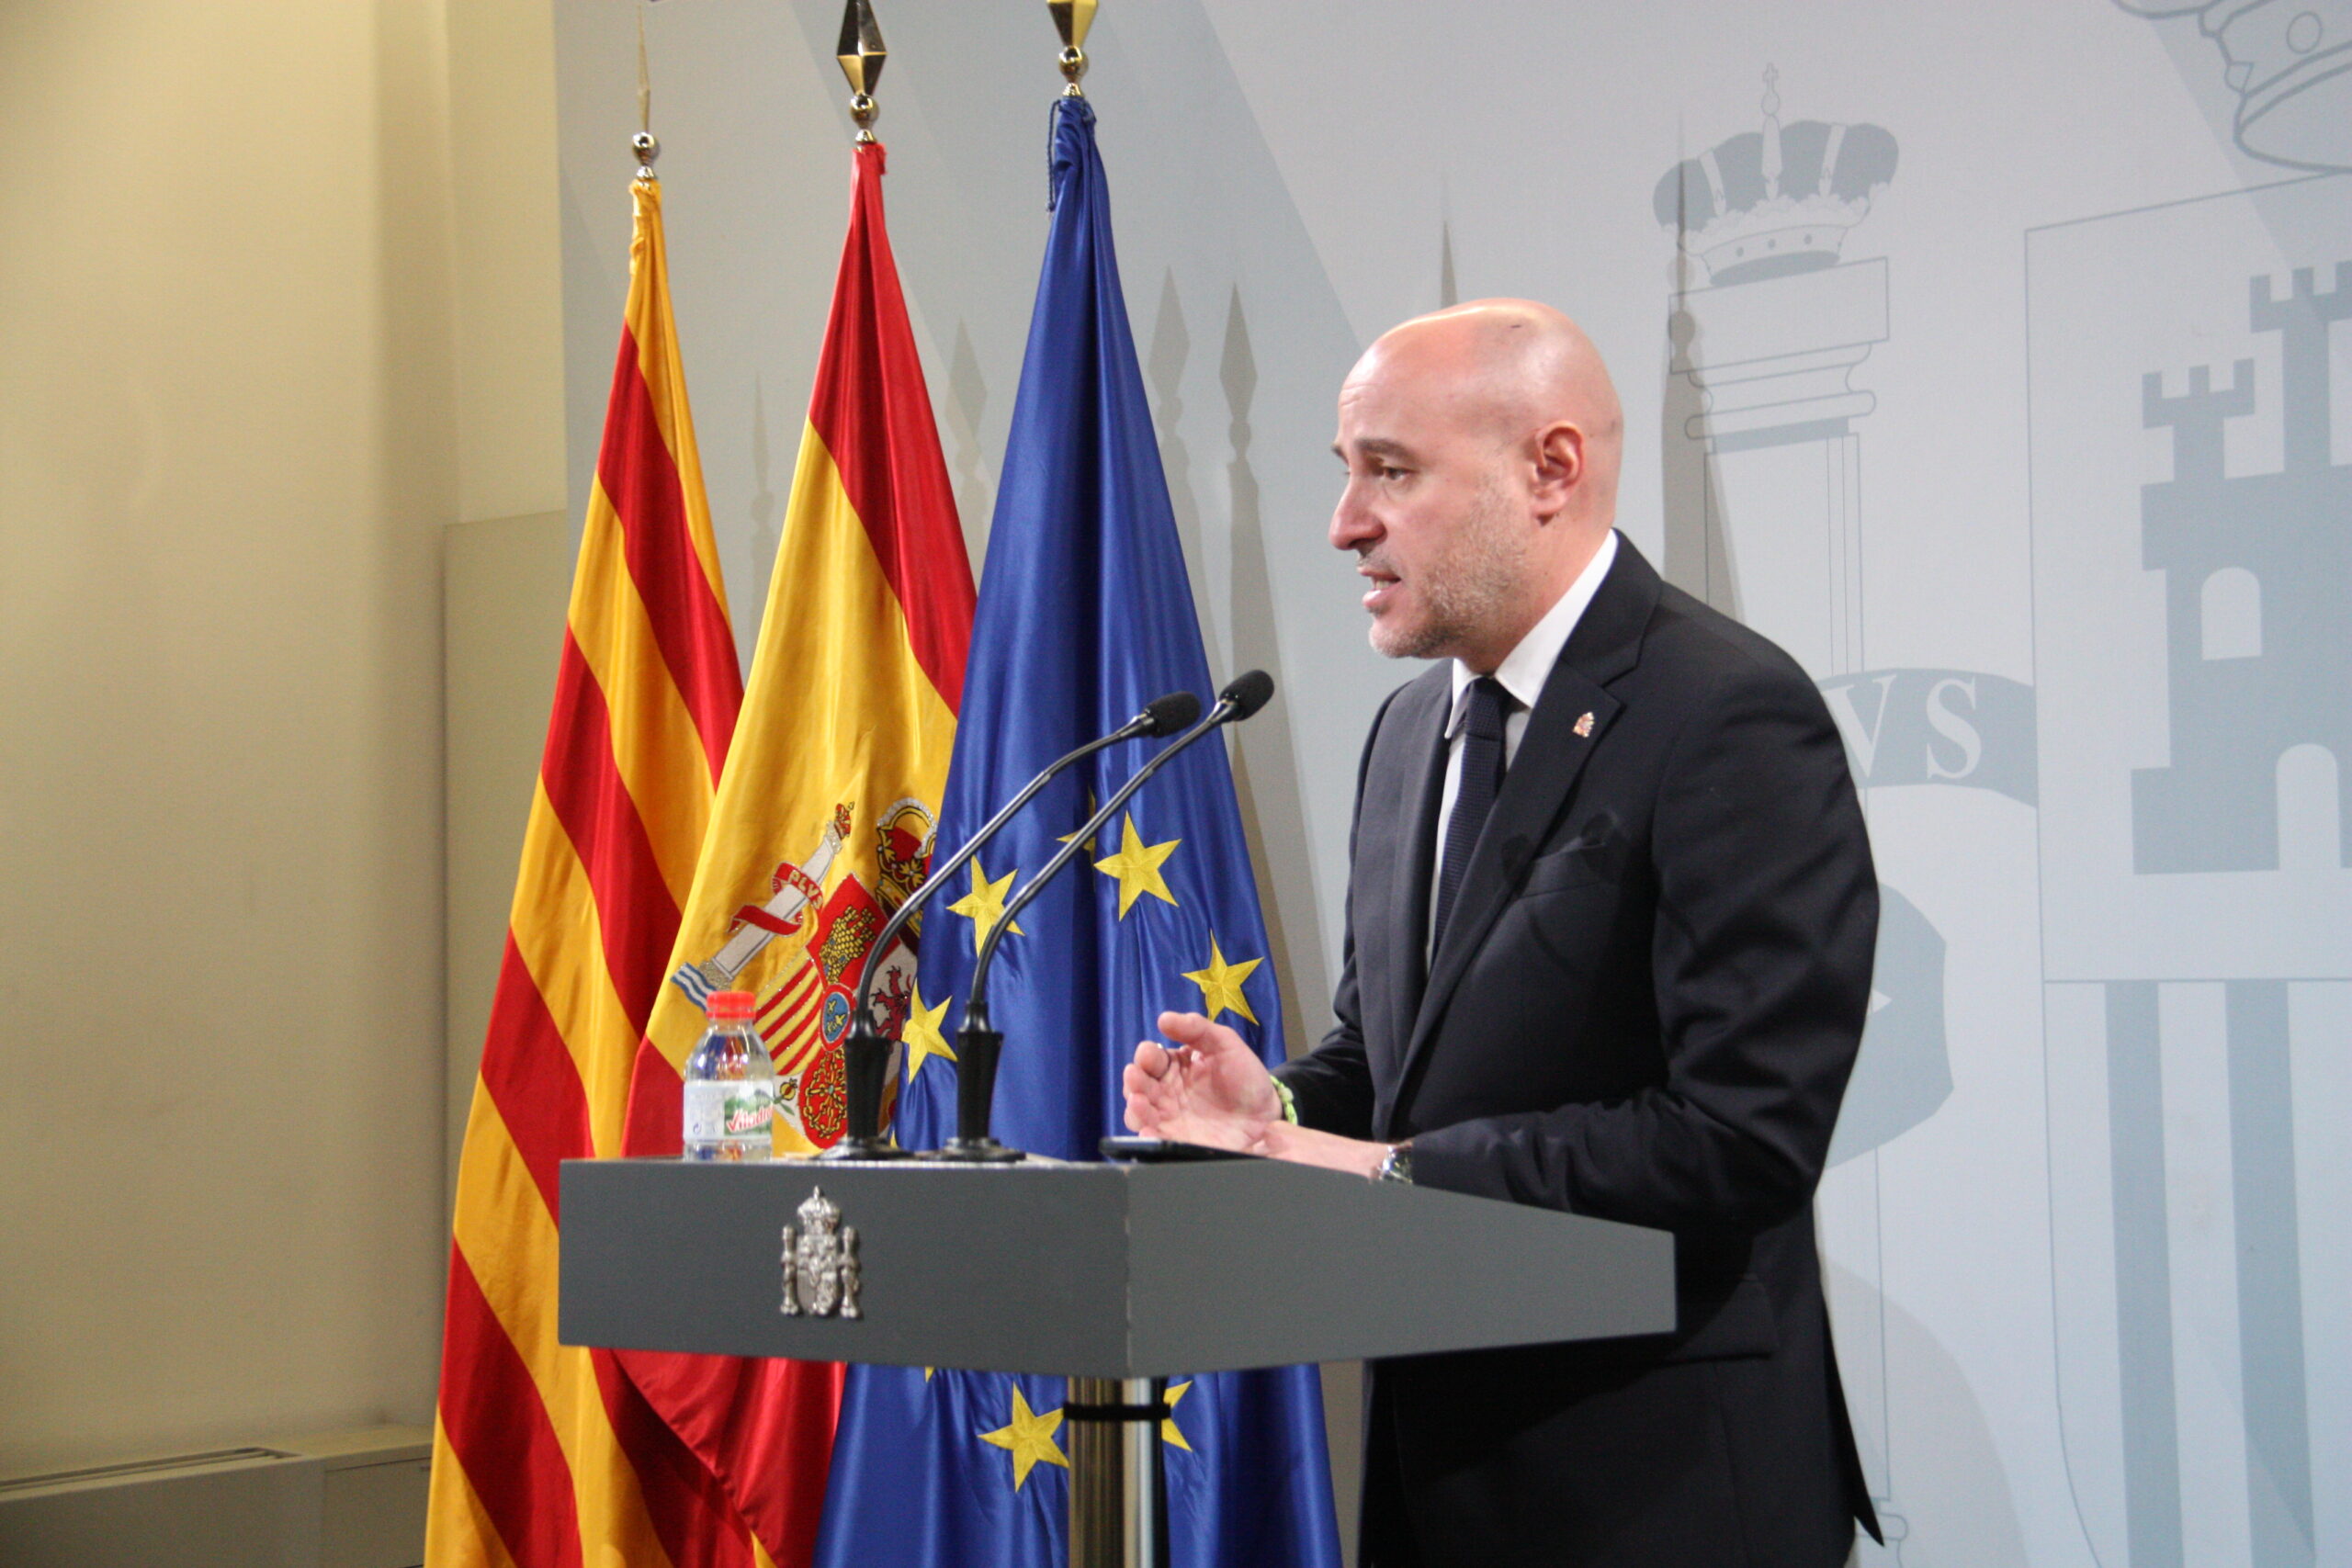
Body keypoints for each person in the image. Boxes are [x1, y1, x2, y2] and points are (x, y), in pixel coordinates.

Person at [1123, 299, 1882, 1566]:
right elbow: (1394, 1058)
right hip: (1434, 1484)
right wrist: (1282, 1113)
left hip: (1658, 1497)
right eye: (1348, 471)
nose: (1345, 523)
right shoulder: (1407, 734)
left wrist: (1394, 1172)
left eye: (1391, 471)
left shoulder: (1728, 715)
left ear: (1551, 469)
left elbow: (1740, 1140)